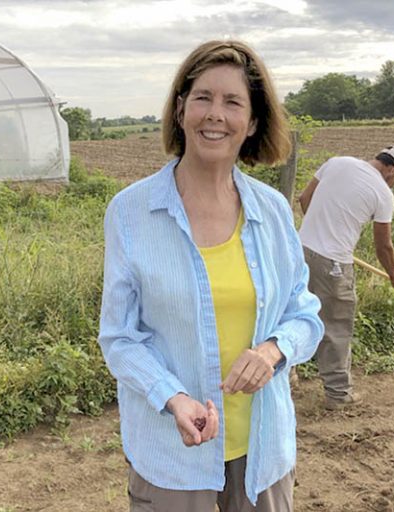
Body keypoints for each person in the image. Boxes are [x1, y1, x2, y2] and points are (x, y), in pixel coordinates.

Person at [98, 40, 323, 512]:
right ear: (181, 110)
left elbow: (304, 312)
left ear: (254, 122)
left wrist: (272, 350)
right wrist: (173, 398)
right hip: (173, 456)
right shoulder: (131, 212)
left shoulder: (273, 211)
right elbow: (119, 337)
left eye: (232, 102)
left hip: (263, 454)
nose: (214, 114)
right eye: (202, 97)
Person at [297, 146, 394, 410]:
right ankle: (338, 395)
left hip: (297, 251)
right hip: (334, 264)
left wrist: (319, 234)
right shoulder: (383, 194)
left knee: (294, 314)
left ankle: (288, 377)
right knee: (336, 326)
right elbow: (383, 246)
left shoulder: (336, 162)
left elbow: (304, 199)